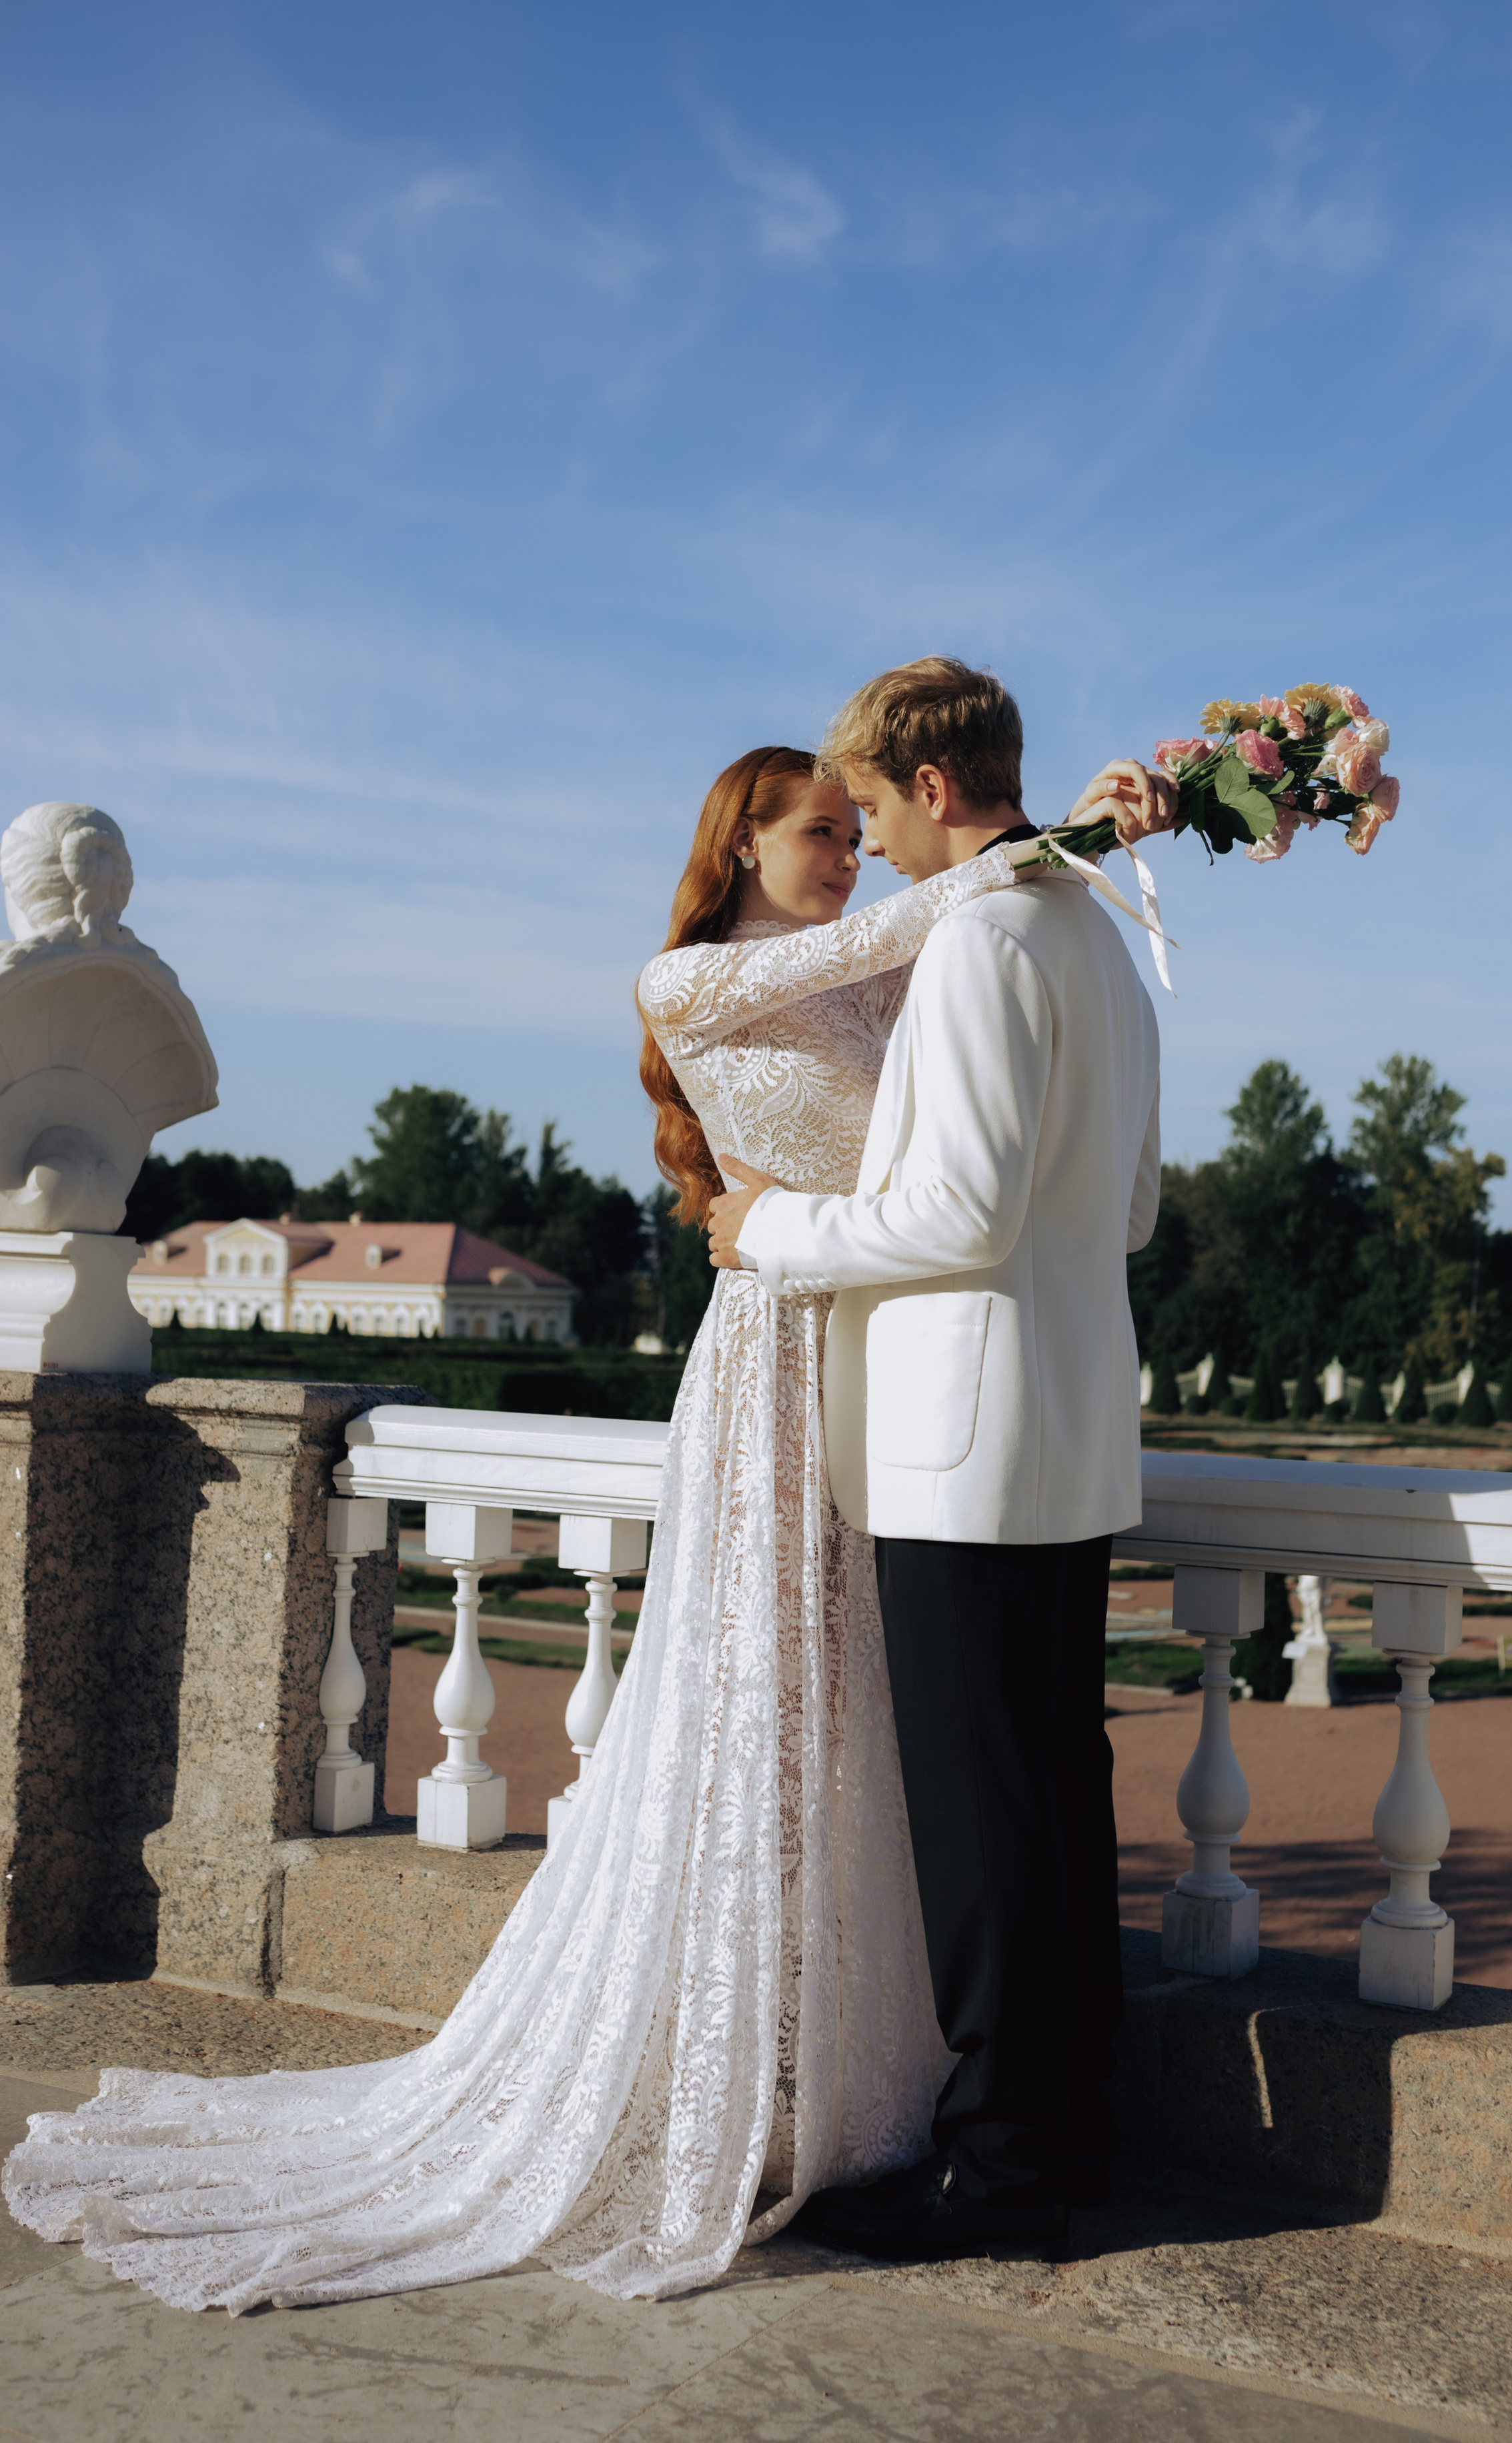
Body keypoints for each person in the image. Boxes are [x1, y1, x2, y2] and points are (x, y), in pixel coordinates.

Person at [2, 736, 1112, 2310]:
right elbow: (892, 935)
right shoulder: (688, 978)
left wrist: (1033, 860)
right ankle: (733, 2056)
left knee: (865, 1719)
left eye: (857, 832)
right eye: (818, 830)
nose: (849, 854)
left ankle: (841, 2056)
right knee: (759, 1704)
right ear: (737, 843)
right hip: (776, 1365)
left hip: (887, 1352)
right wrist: (1046, 844)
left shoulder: (901, 971)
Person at [709, 661, 1169, 2260]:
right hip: (1066, 1422)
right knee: (1055, 1791)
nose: (878, 843)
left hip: (957, 1441)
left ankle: (997, 2169)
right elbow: (1126, 1214)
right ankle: (1069, 2128)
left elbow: (955, 1216)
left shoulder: (980, 939)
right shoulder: (1098, 936)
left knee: (983, 1820)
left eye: (876, 805)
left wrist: (766, 1225)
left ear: (926, 779)